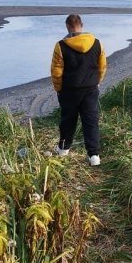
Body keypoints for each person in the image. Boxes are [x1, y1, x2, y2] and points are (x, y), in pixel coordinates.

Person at [50, 14, 107, 166]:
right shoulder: (97, 43)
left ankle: (63, 149)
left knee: (68, 119)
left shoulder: (60, 45)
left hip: (69, 90)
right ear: (81, 25)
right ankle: (94, 155)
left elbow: (56, 71)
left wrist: (58, 88)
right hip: (90, 88)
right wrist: (97, 82)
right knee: (91, 121)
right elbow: (102, 66)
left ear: (67, 26)